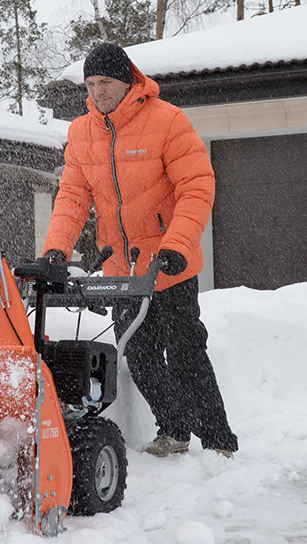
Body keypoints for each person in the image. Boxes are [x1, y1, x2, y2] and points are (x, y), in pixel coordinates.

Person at [41, 42, 239, 458]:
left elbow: (197, 186)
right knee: (139, 354)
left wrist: (178, 244)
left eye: (106, 82)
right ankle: (175, 431)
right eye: (91, 84)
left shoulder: (167, 121)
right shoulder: (81, 133)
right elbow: (73, 197)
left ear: (127, 79)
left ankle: (219, 441)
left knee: (186, 352)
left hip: (170, 264)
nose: (98, 92)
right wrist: (56, 251)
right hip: (123, 269)